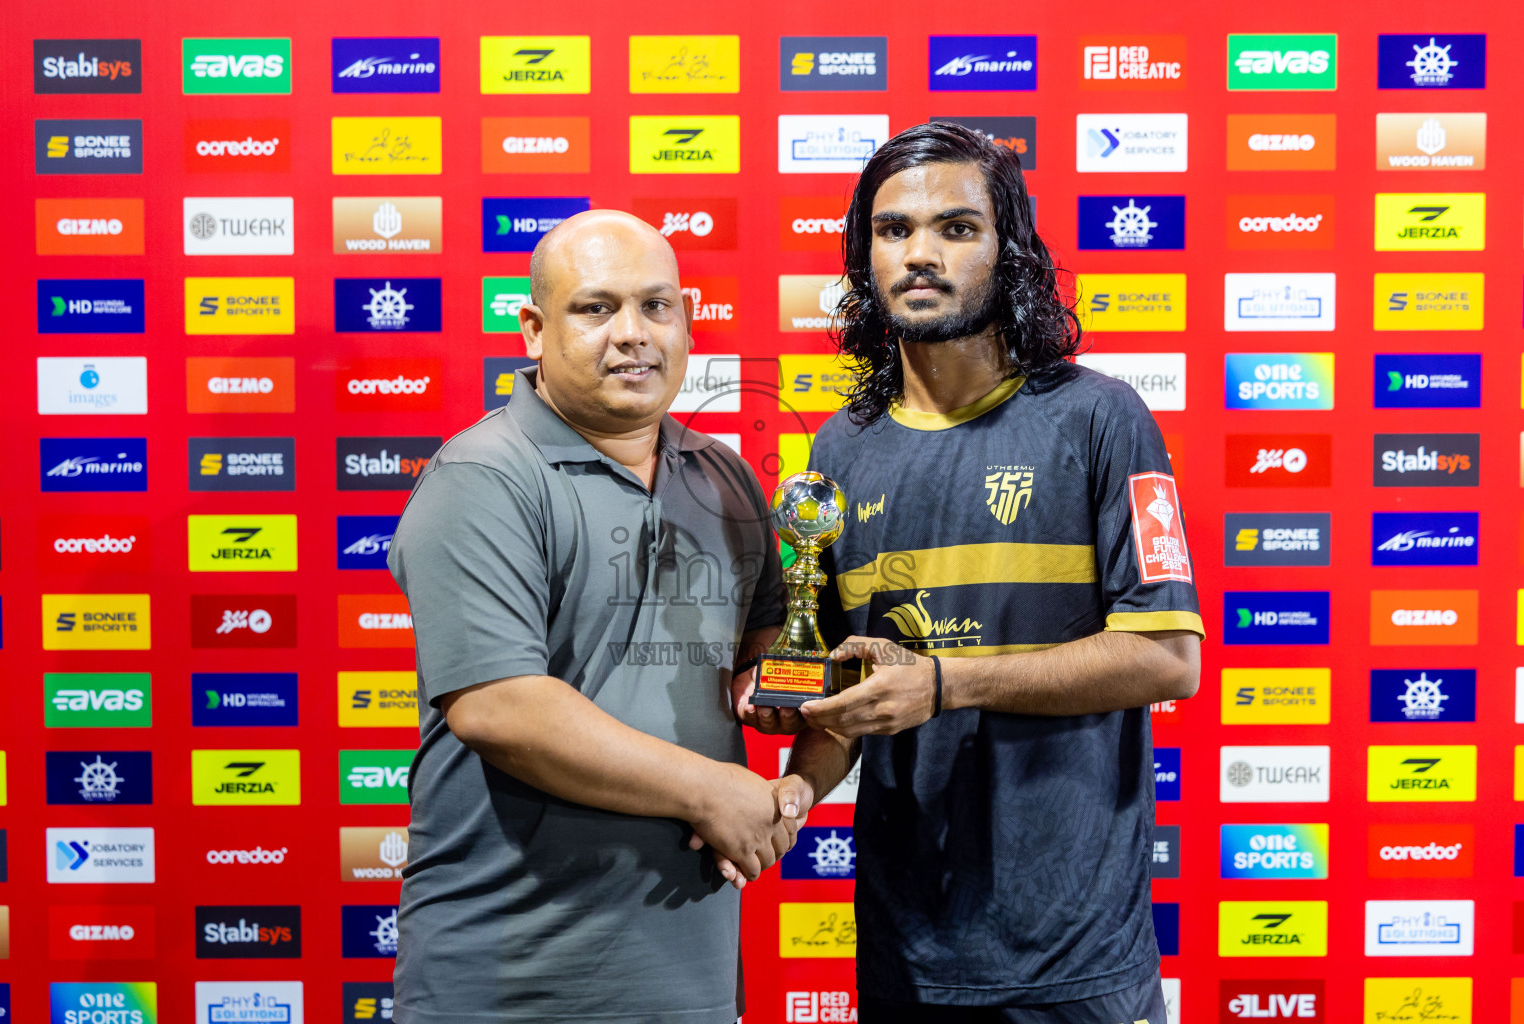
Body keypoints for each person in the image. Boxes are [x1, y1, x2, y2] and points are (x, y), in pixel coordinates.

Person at [781, 122, 1203, 1024]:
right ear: (863, 258)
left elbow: (1168, 658)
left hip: (1075, 962)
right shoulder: (838, 450)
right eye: (892, 230)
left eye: (956, 228)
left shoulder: (1101, 418)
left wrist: (944, 683)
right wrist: (788, 788)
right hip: (904, 952)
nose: (919, 254)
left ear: (1009, 251)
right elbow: (842, 693)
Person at [388, 209, 809, 1024]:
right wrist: (711, 790)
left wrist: (794, 693)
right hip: (513, 979)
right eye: (596, 308)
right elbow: (499, 707)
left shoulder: (723, 475)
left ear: (687, 319)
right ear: (534, 329)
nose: (632, 334)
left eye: (656, 306)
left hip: (687, 975)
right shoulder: (483, 477)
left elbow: (761, 648)